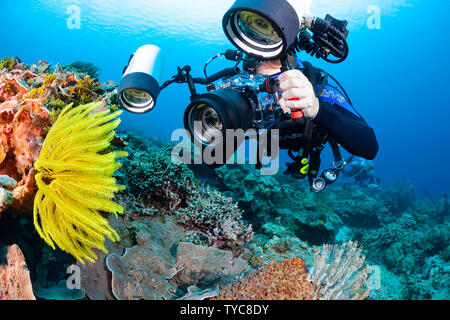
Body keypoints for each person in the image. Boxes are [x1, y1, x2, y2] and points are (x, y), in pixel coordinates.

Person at [244, 56, 379, 161]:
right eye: (262, 86)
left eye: (278, 83)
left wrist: (318, 110)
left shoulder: (322, 92)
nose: (274, 95)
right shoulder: (247, 100)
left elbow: (369, 146)